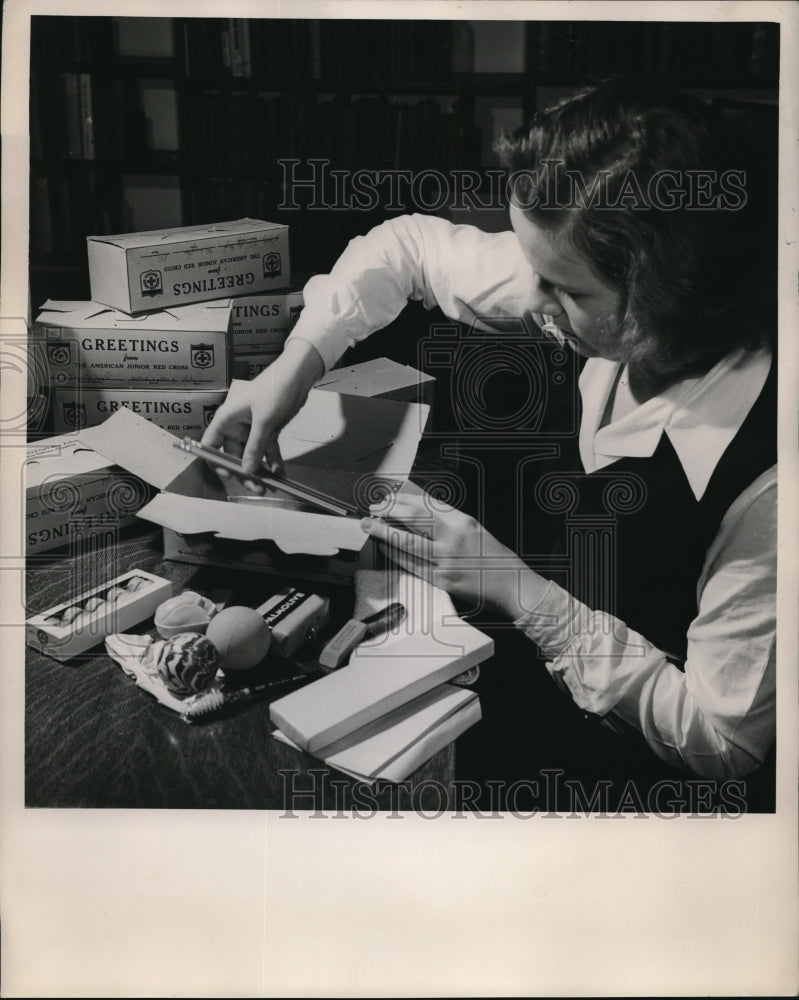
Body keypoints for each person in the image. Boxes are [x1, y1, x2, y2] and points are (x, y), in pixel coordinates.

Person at [203, 78, 777, 811]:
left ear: (664, 296)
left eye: (561, 290)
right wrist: (293, 367)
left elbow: (720, 745)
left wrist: (509, 585)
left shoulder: (766, 481)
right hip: (516, 668)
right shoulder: (587, 273)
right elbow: (406, 246)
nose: (529, 302)